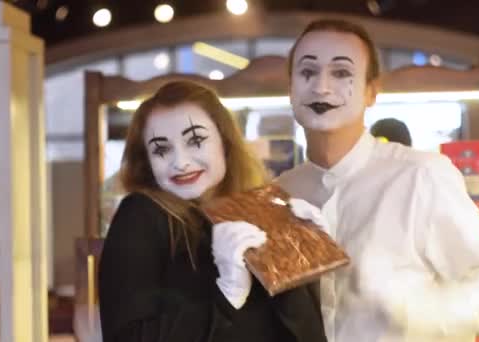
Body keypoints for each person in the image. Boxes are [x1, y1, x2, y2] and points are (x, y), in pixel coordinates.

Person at [277, 19, 479, 341]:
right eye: (307, 73)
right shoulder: (282, 192)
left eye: (341, 73)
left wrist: (423, 317)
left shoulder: (420, 176)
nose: (321, 87)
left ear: (372, 92)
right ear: (290, 89)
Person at [99, 81, 327, 342]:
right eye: (161, 149)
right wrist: (226, 294)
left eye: (195, 140)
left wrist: (304, 261)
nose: (180, 162)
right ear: (146, 161)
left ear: (225, 141)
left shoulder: (260, 209)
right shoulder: (142, 215)